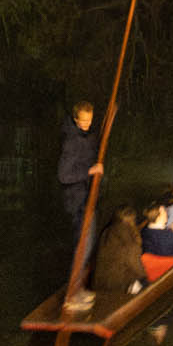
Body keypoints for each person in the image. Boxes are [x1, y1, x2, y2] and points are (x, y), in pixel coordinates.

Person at [57, 99, 104, 249]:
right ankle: (78, 272)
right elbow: (63, 176)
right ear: (76, 119)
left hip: (89, 197)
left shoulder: (87, 135)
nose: (87, 124)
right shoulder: (71, 141)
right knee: (83, 247)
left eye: (89, 120)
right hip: (78, 202)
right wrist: (90, 171)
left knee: (87, 246)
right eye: (83, 120)